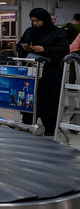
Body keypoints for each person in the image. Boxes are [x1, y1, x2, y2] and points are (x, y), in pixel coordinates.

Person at [17, 8, 69, 136]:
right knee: (29, 97)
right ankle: (28, 123)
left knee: (48, 100)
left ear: (45, 20)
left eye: (37, 21)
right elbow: (19, 45)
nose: (34, 23)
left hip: (49, 73)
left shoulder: (57, 33)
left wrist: (44, 49)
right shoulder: (30, 31)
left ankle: (50, 128)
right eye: (33, 21)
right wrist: (23, 47)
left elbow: (63, 50)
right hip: (31, 71)